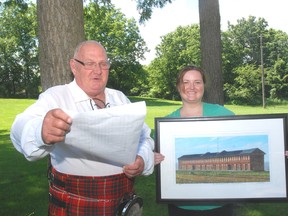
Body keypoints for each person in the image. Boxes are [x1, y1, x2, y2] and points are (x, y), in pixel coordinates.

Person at [10, 40, 154, 216]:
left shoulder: (120, 98)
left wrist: (142, 159)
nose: (98, 70)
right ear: (74, 66)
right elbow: (19, 126)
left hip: (123, 201)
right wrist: (40, 131)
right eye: (89, 63)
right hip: (75, 206)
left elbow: (145, 137)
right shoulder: (56, 97)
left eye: (103, 64)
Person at [155, 65, 235, 216]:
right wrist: (151, 157)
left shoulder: (221, 113)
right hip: (181, 205)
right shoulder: (167, 124)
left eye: (197, 82)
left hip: (219, 205)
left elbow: (251, 134)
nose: (191, 87)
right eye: (186, 82)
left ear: (204, 86)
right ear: (179, 86)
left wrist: (279, 150)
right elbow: (149, 155)